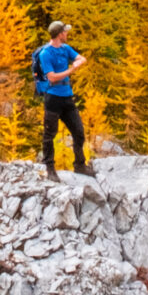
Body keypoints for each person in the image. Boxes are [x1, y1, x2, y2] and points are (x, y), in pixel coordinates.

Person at [34, 21, 91, 180]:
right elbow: (51, 77)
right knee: (49, 135)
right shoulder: (46, 54)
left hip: (67, 97)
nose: (67, 34)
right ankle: (50, 168)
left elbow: (82, 58)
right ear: (60, 34)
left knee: (78, 132)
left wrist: (77, 61)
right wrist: (72, 69)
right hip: (53, 98)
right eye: (65, 32)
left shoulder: (66, 49)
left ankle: (80, 165)